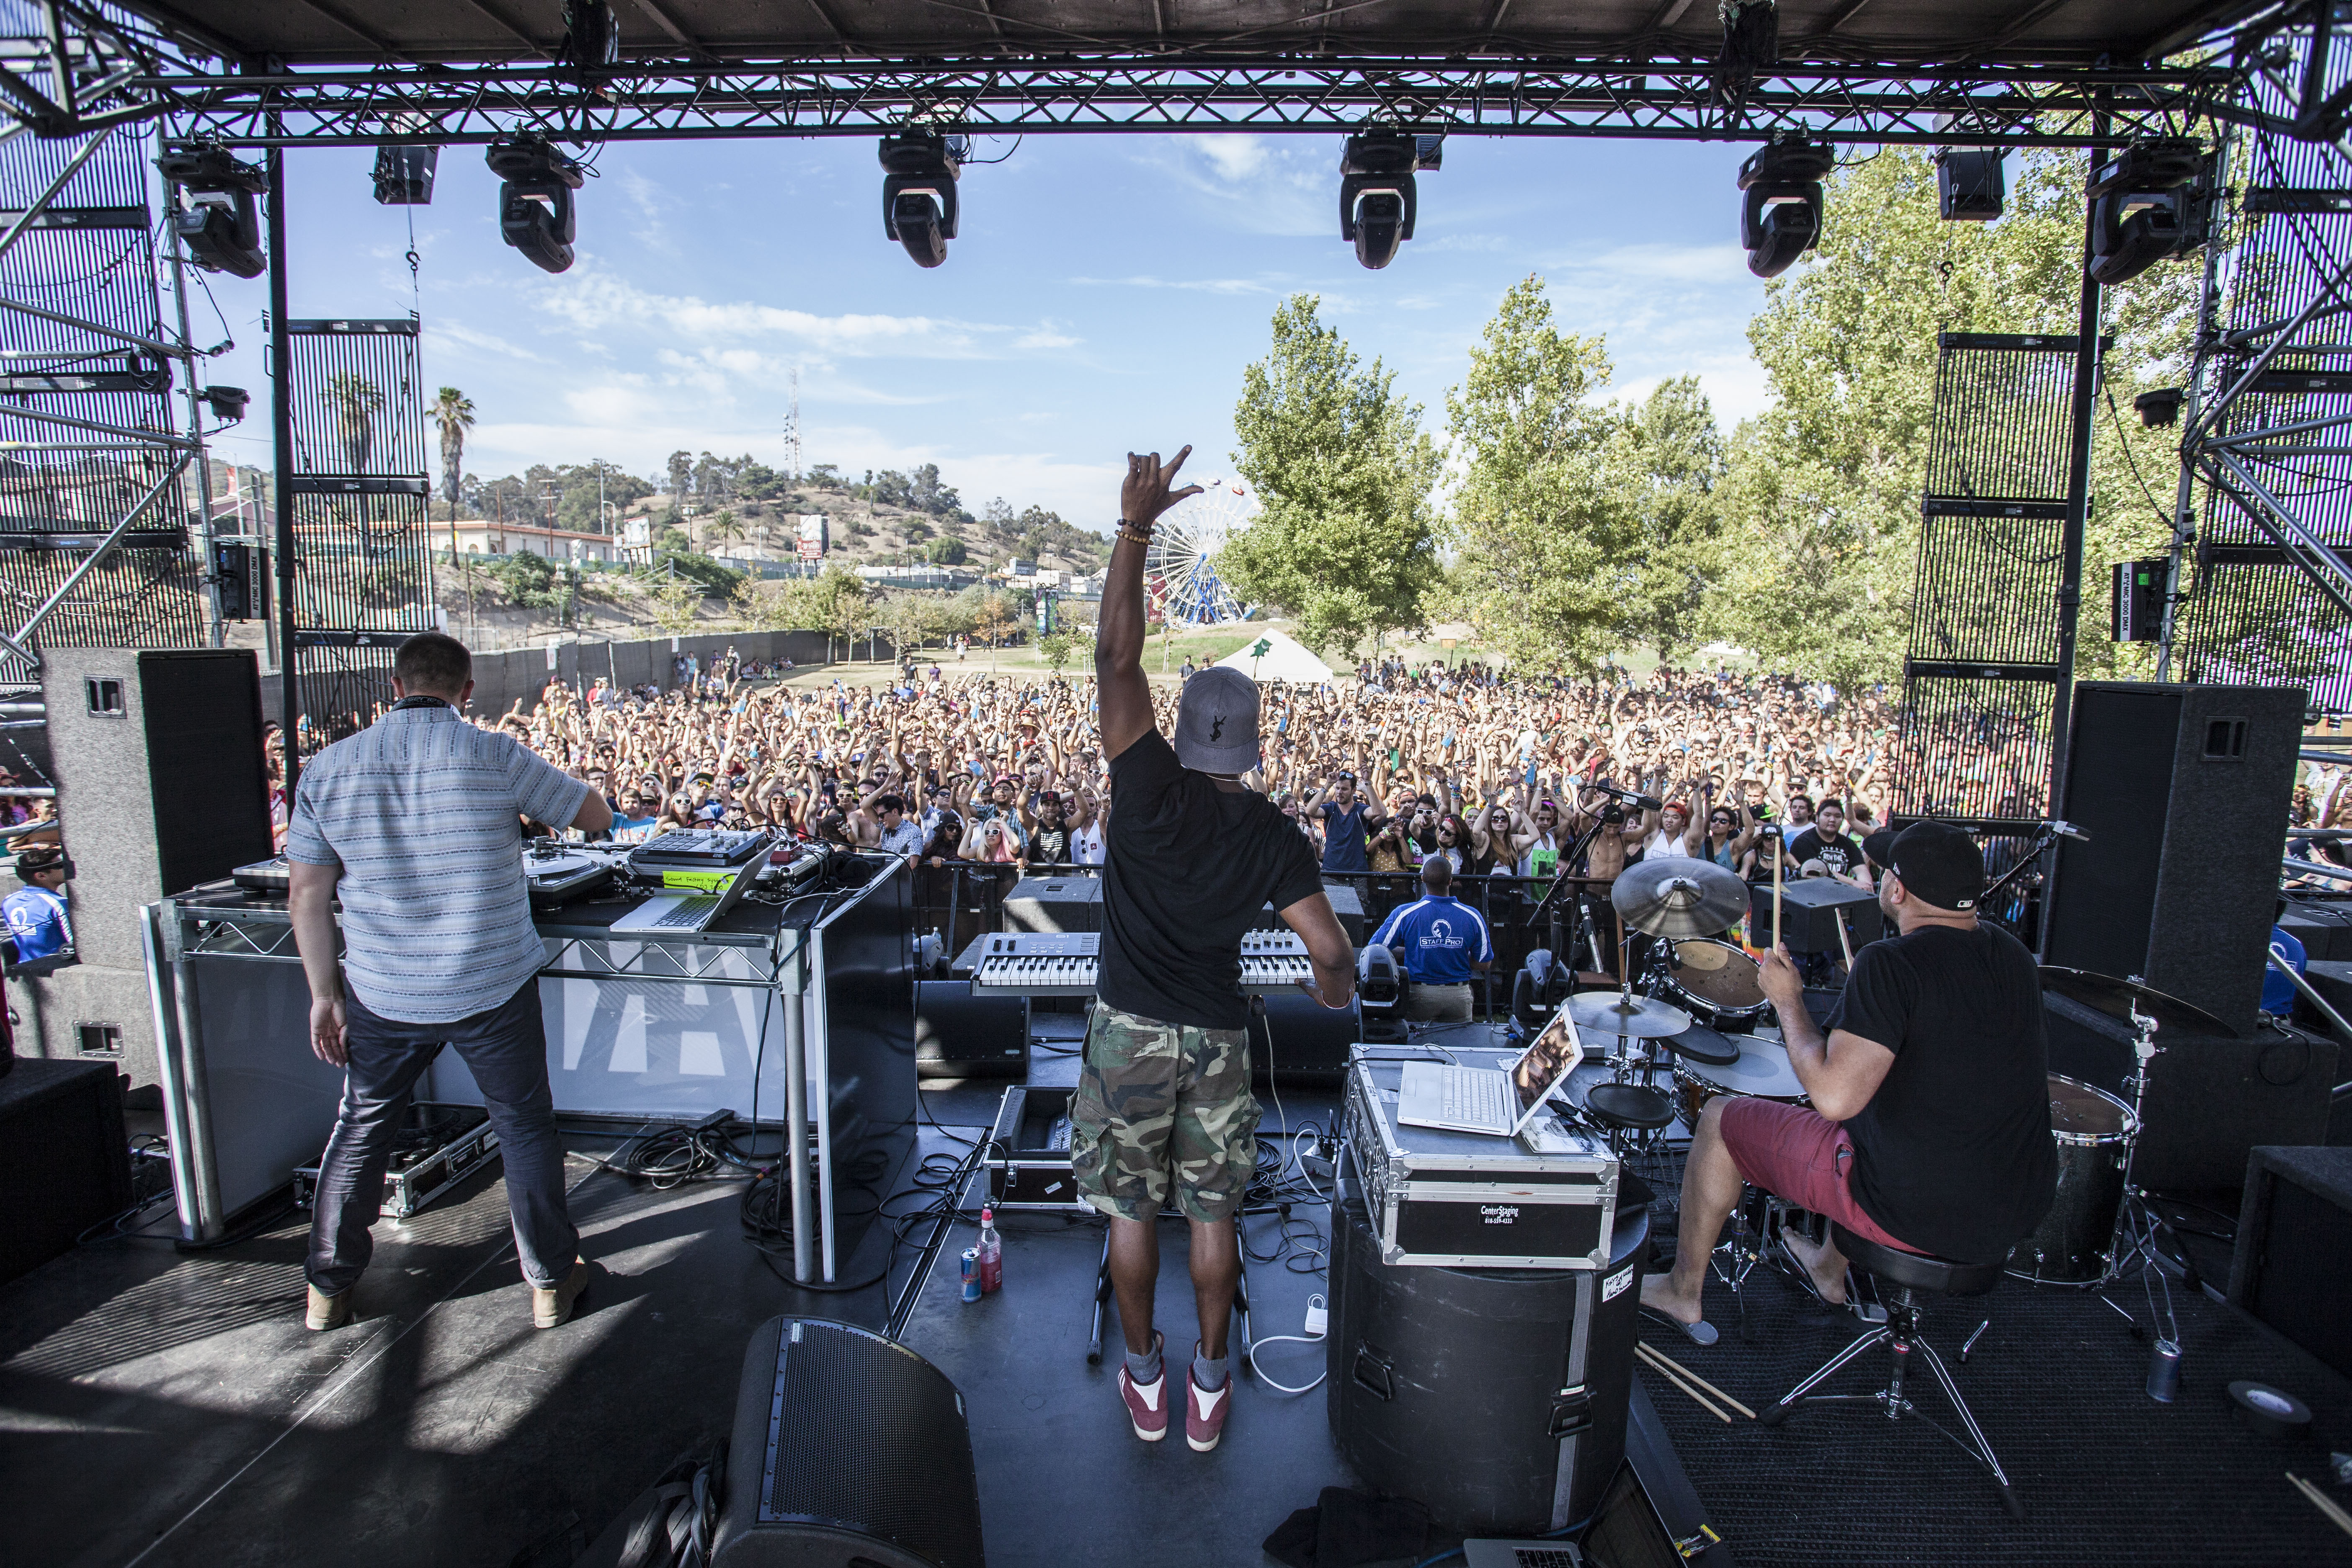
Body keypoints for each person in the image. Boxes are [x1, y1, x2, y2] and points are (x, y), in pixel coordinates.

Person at [1082, 444, 1355, 1456]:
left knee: (1127, 1208)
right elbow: (1329, 945)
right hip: (1215, 1039)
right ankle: (1207, 1378)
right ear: (1250, 742)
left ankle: (1142, 1373)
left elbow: (1116, 662)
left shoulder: (1144, 782)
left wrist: (1134, 526)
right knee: (1212, 1211)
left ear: (1184, 731)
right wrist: (1330, 991)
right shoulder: (1277, 836)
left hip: (1127, 1031)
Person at [286, 632, 613, 1334]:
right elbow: (597, 817)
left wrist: (324, 994)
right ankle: (552, 1283)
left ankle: (327, 1288)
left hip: (382, 988)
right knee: (522, 1125)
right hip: (489, 980)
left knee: (362, 1125)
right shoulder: (492, 753)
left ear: (395, 687)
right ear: (468, 692)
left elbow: (306, 897)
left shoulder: (328, 767)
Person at [1640, 821, 2056, 1340]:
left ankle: (1683, 1293)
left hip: (1914, 1211)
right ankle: (1827, 1268)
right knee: (1885, 1118)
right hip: (2015, 1206)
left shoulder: (1890, 963)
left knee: (1721, 1119)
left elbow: (1832, 1097)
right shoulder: (2013, 955)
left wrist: (1787, 999)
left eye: (1884, 872)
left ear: (1897, 890)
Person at [1367, 856, 1493, 1021]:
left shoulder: (1405, 913)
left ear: (1423, 879)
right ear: (1450, 881)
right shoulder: (1472, 915)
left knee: (1416, 1044)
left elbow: (1375, 950)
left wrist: (1416, 952)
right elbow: (1484, 963)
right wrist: (1452, 954)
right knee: (1458, 1046)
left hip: (1420, 996)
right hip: (1458, 997)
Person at [4, 843, 72, 962]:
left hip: (25, 967)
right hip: (60, 967)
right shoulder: (58, 904)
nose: (66, 867)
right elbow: (77, 945)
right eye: (60, 865)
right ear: (41, 876)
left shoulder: (8, 901)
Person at [1307, 769, 1382, 875]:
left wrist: (1368, 782)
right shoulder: (1330, 808)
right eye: (1337, 788)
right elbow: (1310, 811)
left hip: (1357, 873)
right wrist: (1328, 785)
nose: (1339, 792)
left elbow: (1377, 811)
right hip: (1331, 871)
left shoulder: (1360, 809)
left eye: (1344, 789)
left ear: (1354, 790)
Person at [1788, 797, 1870, 888]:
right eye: (1827, 815)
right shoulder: (1803, 842)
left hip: (1841, 894)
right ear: (1817, 817)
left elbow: (1861, 869)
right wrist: (1853, 883)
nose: (1832, 820)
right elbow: (1820, 871)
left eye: (1838, 816)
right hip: (1810, 892)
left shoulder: (1848, 843)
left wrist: (1866, 884)